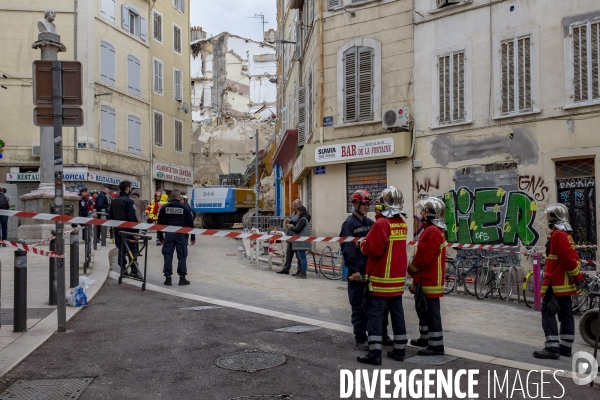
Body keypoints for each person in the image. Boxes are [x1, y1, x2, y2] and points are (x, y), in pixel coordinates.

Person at [358, 187, 409, 365]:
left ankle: (375, 354)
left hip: (380, 281)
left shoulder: (381, 224)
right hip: (397, 281)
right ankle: (400, 350)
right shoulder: (402, 223)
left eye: (379, 203)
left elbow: (373, 249)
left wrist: (362, 243)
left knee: (375, 317)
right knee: (397, 315)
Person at [340, 190, 391, 351]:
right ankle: (361, 338)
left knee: (377, 307)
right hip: (357, 274)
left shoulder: (370, 223)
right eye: (363, 204)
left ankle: (381, 335)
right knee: (358, 307)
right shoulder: (349, 225)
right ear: (355, 204)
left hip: (371, 273)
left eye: (367, 204)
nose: (366, 207)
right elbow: (348, 249)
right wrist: (354, 270)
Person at [533, 203, 584, 360]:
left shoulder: (559, 235)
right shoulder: (565, 234)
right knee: (565, 314)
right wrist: (577, 278)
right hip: (563, 284)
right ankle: (565, 347)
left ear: (552, 217)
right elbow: (571, 259)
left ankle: (552, 347)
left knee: (548, 312)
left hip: (554, 284)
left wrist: (577, 278)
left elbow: (568, 260)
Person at [408, 197, 447, 356]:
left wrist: (410, 269)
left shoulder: (432, 232)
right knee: (422, 309)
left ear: (431, 214)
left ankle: (436, 345)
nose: (421, 212)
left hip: (429, 279)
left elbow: (423, 258)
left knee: (431, 312)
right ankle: (425, 338)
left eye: (424, 210)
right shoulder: (433, 230)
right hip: (426, 278)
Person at [157, 189, 195, 286]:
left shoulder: (164, 208)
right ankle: (182, 279)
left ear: (170, 197)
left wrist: (160, 237)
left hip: (169, 234)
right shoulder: (186, 208)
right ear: (180, 197)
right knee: (182, 256)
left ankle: (168, 279)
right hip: (181, 234)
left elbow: (159, 224)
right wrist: (193, 238)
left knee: (168, 256)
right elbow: (191, 223)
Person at [107, 181, 139, 276]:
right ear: (127, 188)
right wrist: (135, 232)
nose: (131, 189)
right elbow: (132, 218)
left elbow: (110, 216)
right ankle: (134, 270)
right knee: (132, 250)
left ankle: (123, 269)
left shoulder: (114, 201)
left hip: (118, 229)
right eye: (131, 188)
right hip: (128, 230)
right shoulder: (129, 201)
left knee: (121, 249)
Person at [276, 199, 302, 275]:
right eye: (293, 206)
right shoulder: (294, 213)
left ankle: (300, 270)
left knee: (298, 255)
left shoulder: (301, 214)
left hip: (296, 237)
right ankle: (286, 269)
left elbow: (296, 223)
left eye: (295, 206)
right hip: (290, 236)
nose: (294, 207)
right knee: (288, 254)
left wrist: (290, 222)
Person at [286, 206, 311, 279]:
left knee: (302, 257)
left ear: (300, 211)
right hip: (301, 241)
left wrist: (290, 227)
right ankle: (302, 272)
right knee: (301, 256)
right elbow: (297, 223)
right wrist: (291, 222)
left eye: (297, 211)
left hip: (301, 241)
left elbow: (298, 229)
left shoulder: (303, 219)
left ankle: (303, 272)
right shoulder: (303, 219)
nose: (297, 213)